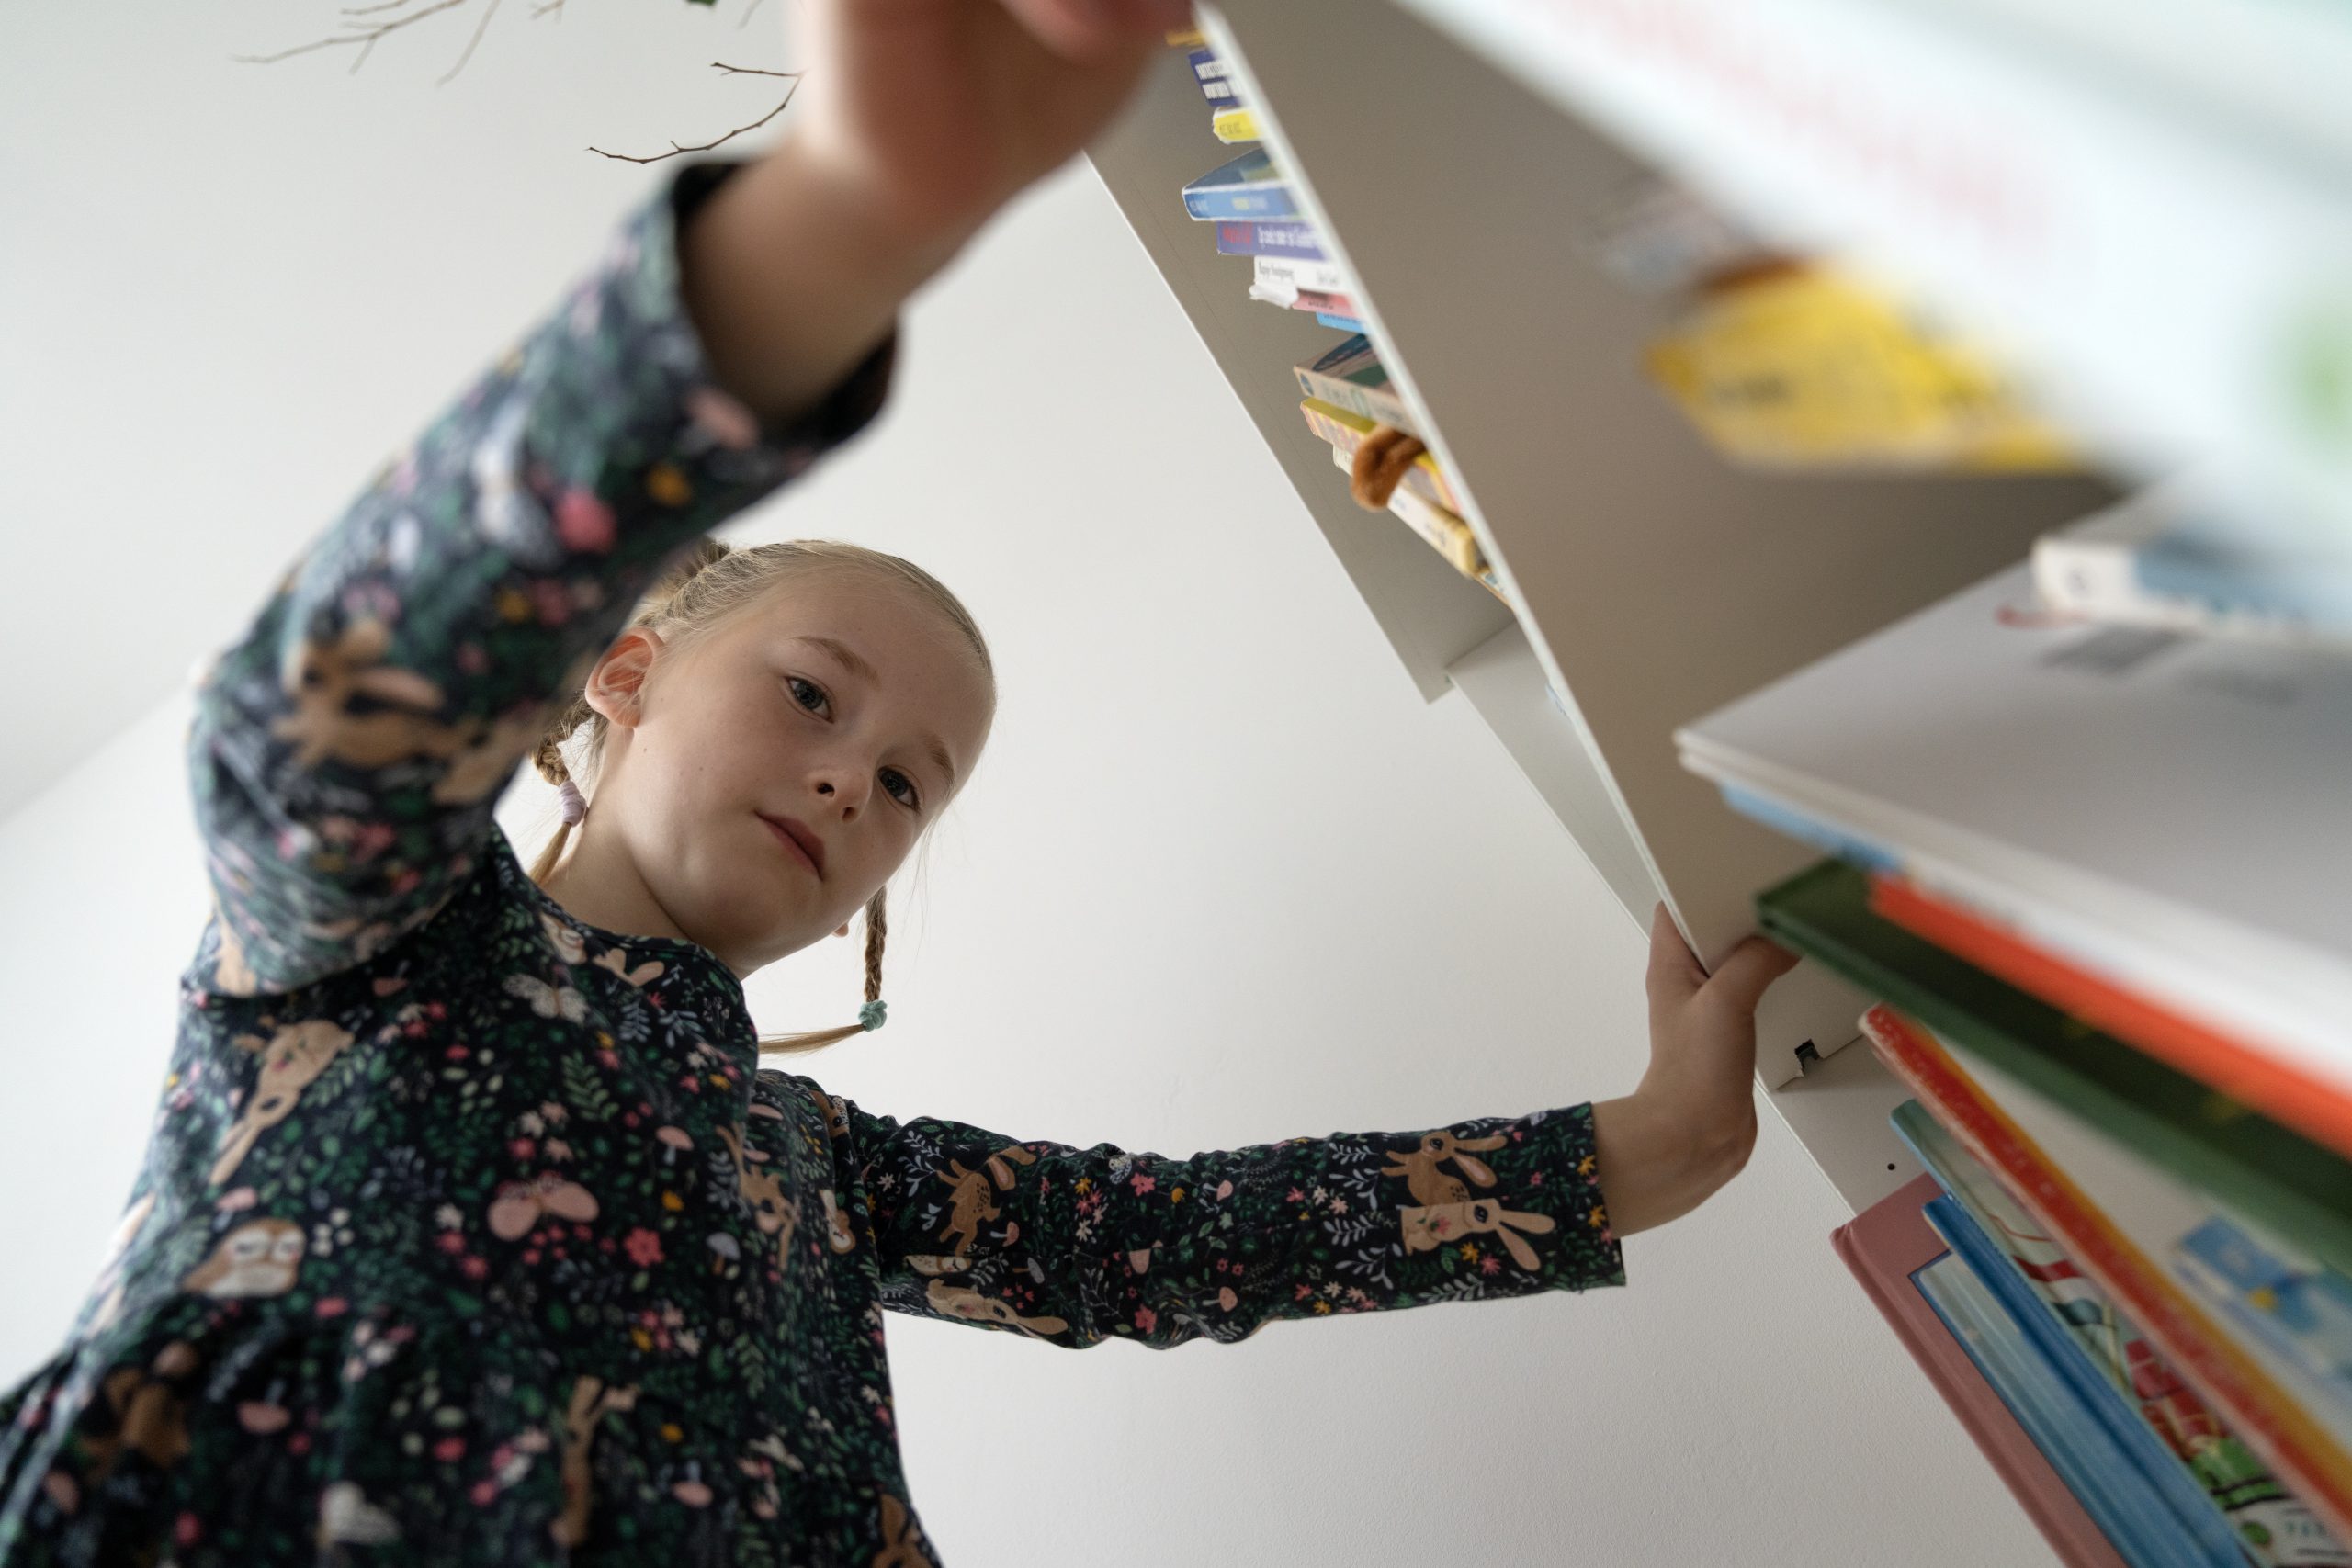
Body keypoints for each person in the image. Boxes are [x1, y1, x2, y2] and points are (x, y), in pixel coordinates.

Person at [0, 0, 1800, 1562]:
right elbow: (304, 730)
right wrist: (836, 228)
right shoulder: (372, 946)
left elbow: (1170, 1239)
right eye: (808, 692)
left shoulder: (816, 1170)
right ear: (620, 669)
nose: (855, 780)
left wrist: (1655, 1142)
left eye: (910, 783)